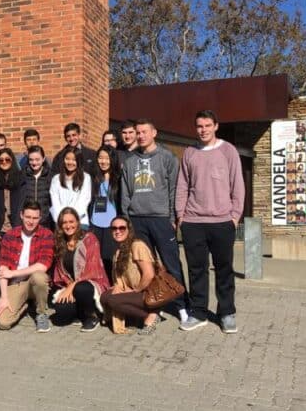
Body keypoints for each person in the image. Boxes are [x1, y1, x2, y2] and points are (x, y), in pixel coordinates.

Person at [176, 110, 245, 334]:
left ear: (216, 126)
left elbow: (238, 186)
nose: (203, 130)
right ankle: (198, 312)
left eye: (207, 125)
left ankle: (226, 313)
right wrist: (181, 216)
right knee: (197, 270)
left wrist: (234, 217)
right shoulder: (189, 153)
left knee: (224, 269)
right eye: (199, 126)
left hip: (222, 221)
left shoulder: (228, 151)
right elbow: (183, 186)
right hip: (193, 221)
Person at [120, 119, 189, 325]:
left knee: (171, 265)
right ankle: (154, 306)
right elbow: (125, 193)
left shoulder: (167, 157)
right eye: (138, 132)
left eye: (144, 132)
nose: (140, 136)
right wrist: (127, 219)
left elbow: (173, 190)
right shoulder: (130, 162)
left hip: (160, 219)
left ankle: (182, 306)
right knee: (145, 267)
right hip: (137, 220)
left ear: (154, 133)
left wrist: (172, 218)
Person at [0, 200, 54, 332]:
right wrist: (4, 297)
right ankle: (25, 305)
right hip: (16, 284)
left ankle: (41, 313)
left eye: (35, 218)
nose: (31, 221)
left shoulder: (47, 235)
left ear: (40, 218)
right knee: (3, 322)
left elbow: (43, 266)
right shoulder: (10, 235)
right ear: (21, 215)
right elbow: (3, 268)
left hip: (35, 283)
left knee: (39, 277)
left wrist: (13, 273)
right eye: (28, 217)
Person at [51, 207, 110, 332]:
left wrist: (72, 287)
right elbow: (60, 272)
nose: (68, 226)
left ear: (77, 222)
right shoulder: (60, 243)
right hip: (70, 285)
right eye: (64, 222)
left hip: (90, 284)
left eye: (71, 221)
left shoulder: (89, 239)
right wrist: (67, 287)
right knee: (62, 315)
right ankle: (79, 312)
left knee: (81, 288)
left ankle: (92, 316)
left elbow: (92, 270)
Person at [99, 216, 160, 334]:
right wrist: (119, 287)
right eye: (114, 228)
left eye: (122, 228)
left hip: (148, 291)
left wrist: (134, 291)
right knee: (105, 296)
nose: (118, 231)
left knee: (114, 301)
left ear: (129, 230)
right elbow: (121, 279)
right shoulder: (119, 251)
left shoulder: (137, 245)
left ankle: (151, 315)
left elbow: (149, 274)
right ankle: (133, 317)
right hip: (134, 290)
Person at [89, 146, 120, 280]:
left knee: (109, 259)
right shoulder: (93, 178)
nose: (103, 161)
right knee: (96, 260)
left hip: (111, 225)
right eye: (100, 158)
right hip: (95, 224)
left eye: (107, 158)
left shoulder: (118, 179)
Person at [49, 147, 92, 228]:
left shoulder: (86, 178)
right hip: (60, 222)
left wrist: (71, 220)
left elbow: (84, 200)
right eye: (67, 159)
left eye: (74, 160)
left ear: (78, 161)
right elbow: (55, 202)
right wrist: (63, 220)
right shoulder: (56, 179)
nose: (70, 162)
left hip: (79, 222)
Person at [18, 145, 52, 227]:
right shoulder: (22, 175)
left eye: (37, 159)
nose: (34, 163)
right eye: (31, 160)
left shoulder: (50, 175)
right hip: (27, 222)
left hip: (45, 221)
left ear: (43, 159)